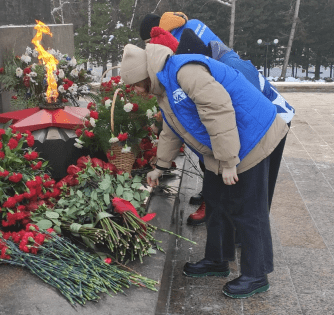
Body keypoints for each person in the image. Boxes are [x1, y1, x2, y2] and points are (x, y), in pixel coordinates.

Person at [120, 43, 289, 298]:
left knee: (248, 209)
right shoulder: (163, 88)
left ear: (146, 75)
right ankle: (217, 260)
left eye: (135, 84)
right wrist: (161, 167)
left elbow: (218, 111)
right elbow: (171, 128)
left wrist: (229, 161)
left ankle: (256, 275)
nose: (136, 91)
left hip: (252, 136)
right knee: (216, 199)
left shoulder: (185, 72)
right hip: (228, 144)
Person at [139, 12, 295, 226]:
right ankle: (232, 222)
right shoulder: (189, 42)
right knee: (227, 172)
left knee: (256, 194)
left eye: (150, 44)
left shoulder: (198, 60)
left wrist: (229, 160)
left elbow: (233, 113)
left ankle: (248, 230)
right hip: (253, 117)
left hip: (274, 119)